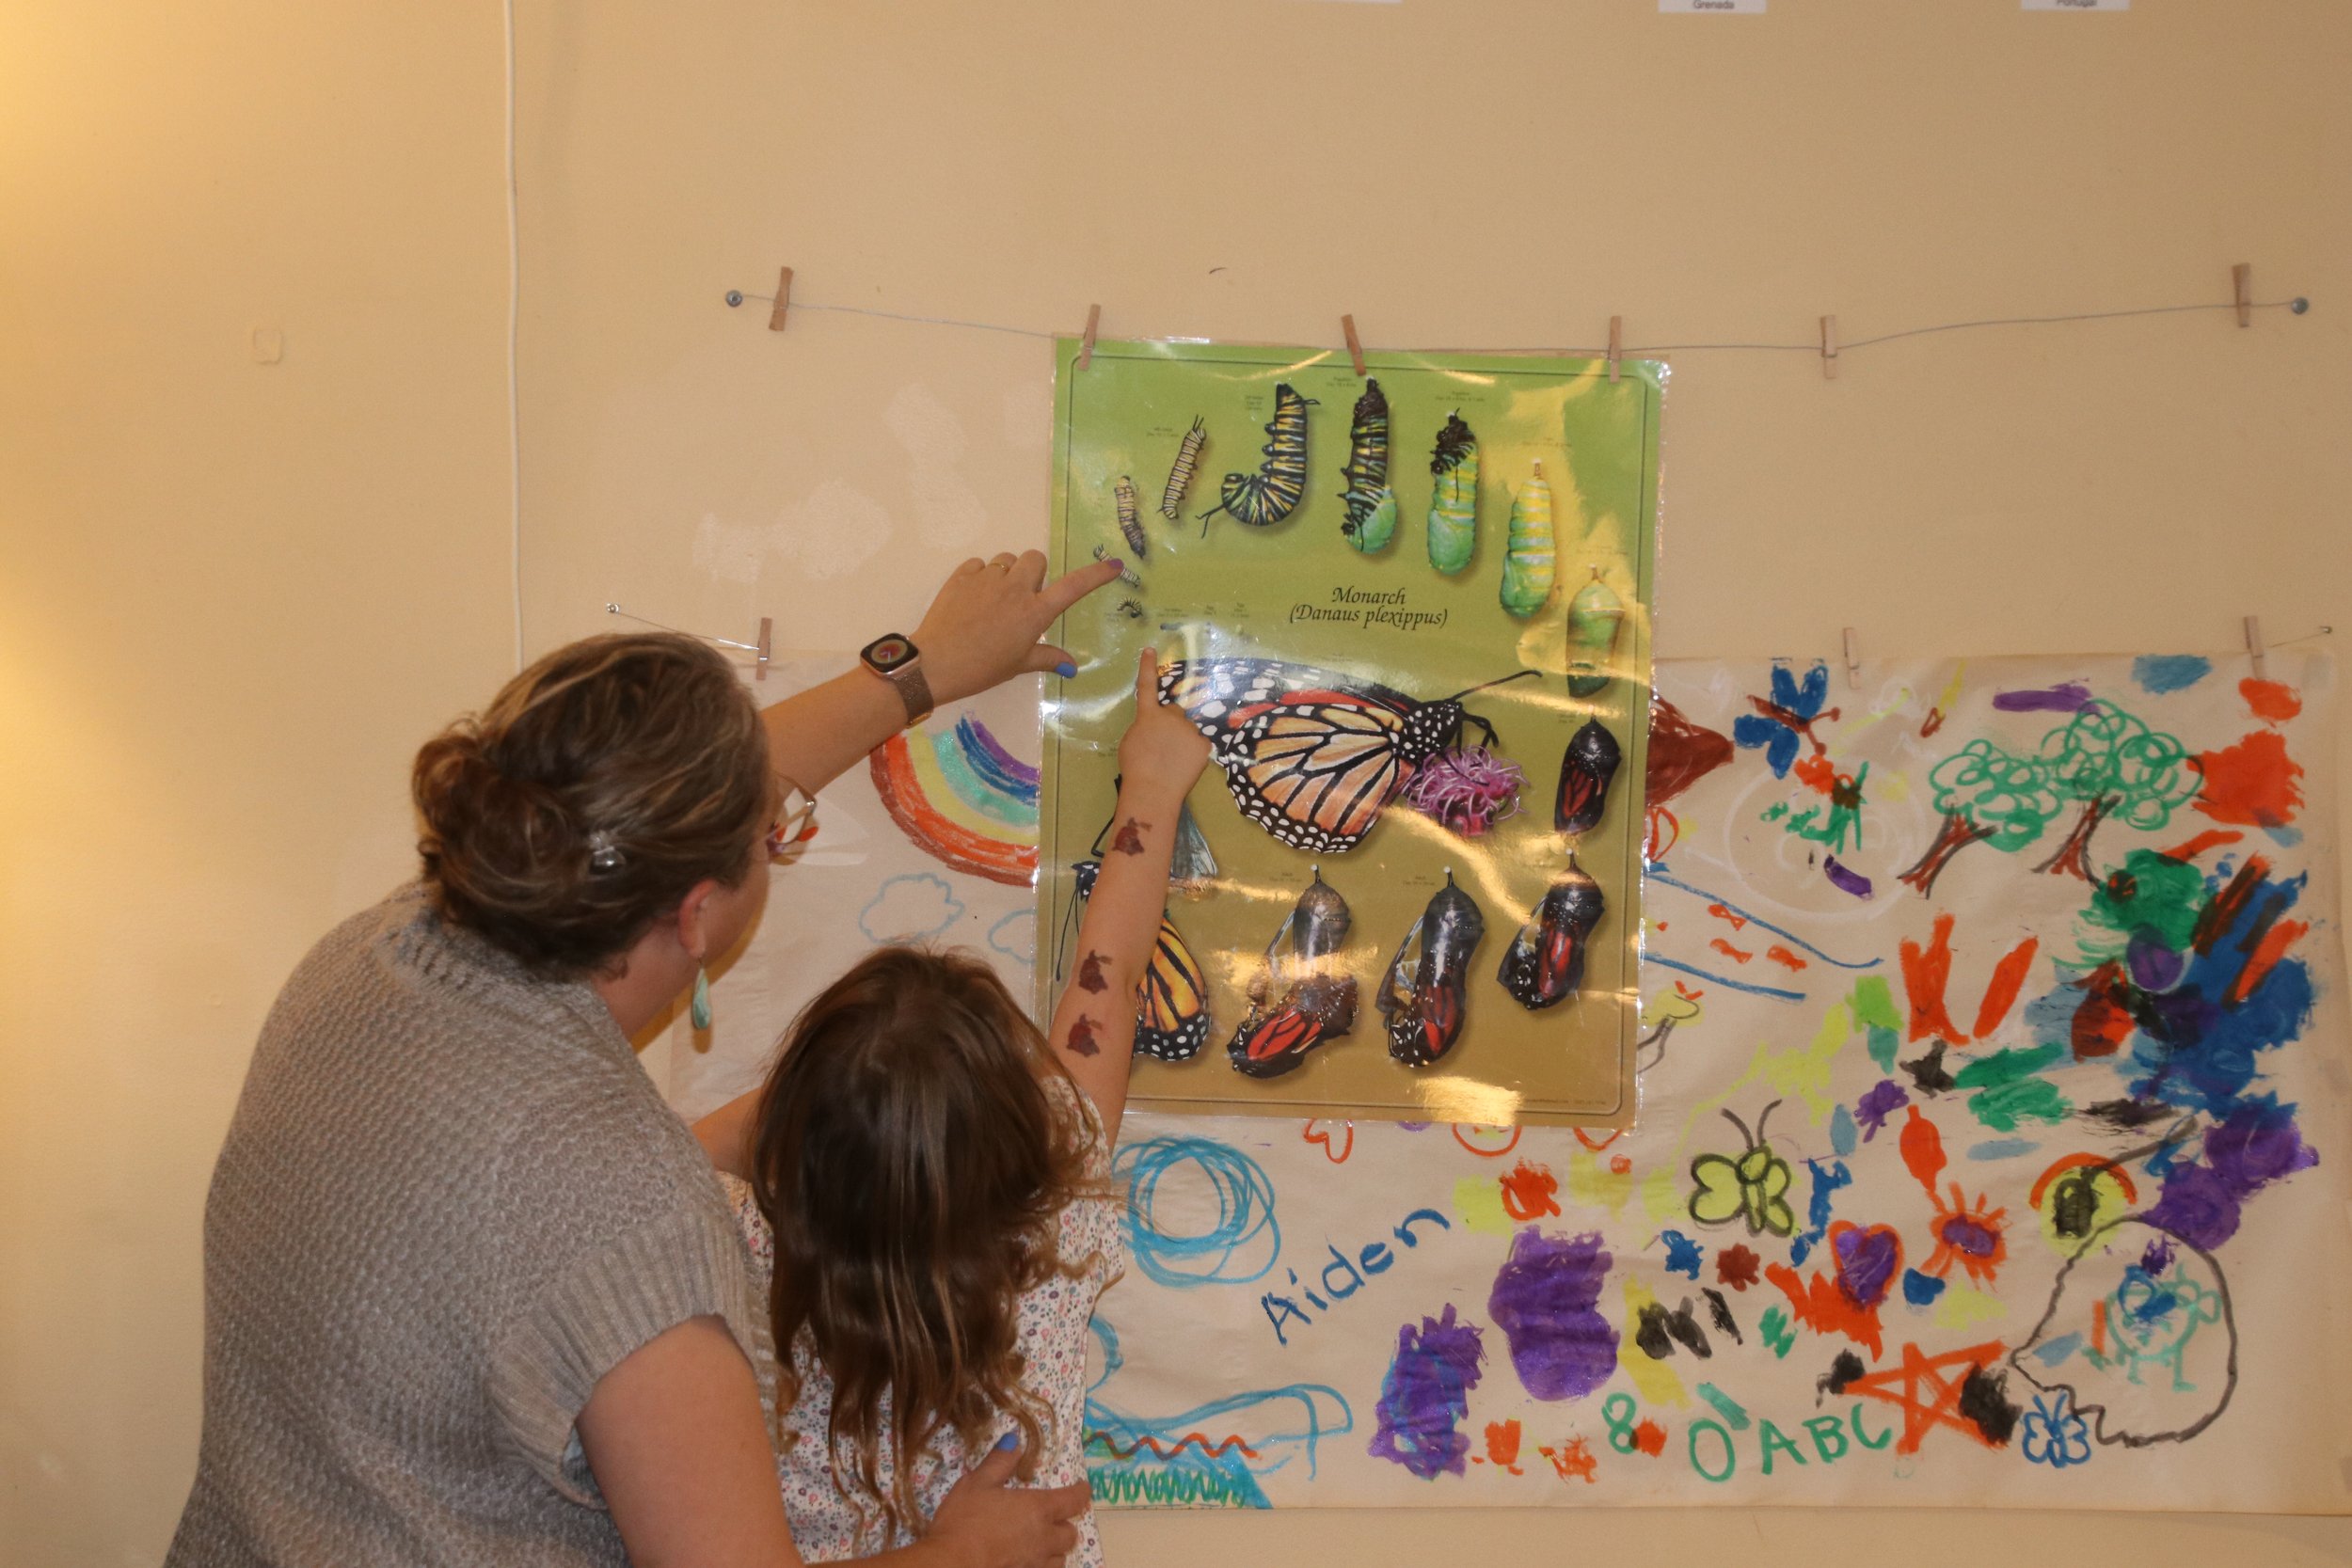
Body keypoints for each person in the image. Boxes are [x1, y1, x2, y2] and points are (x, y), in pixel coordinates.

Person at [167, 550, 1122, 1568]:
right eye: (772, 831)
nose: (778, 821)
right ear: (696, 913)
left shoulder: (372, 956)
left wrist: (914, 672)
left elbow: (657, 810)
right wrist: (964, 1554)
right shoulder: (639, 1216)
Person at [693, 649, 1209, 1565]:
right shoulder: (1061, 1219)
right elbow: (1114, 976)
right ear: (1021, 1129)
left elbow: (643, 1162)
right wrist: (1154, 787)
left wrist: (830, 1098)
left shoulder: (743, 1246)